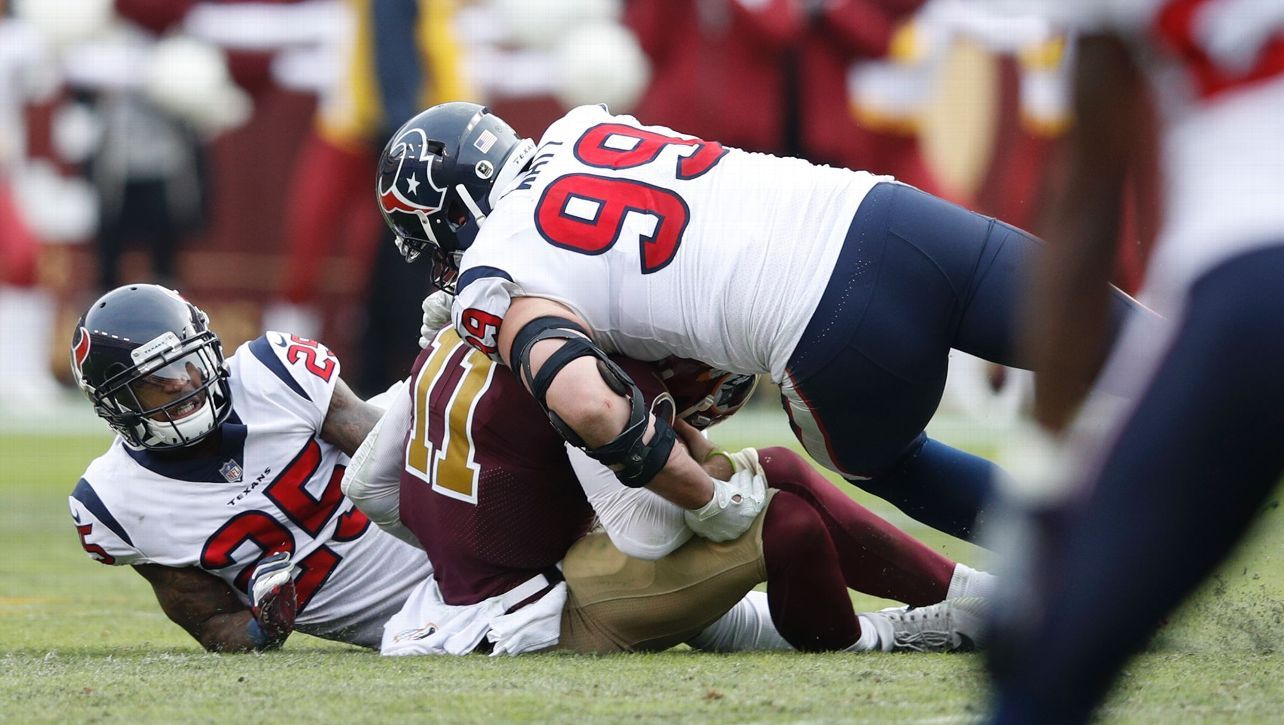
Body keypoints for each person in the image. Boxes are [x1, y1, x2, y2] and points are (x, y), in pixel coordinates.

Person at [374, 101, 1141, 542]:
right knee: (1143, 348)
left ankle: (1099, 557)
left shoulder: (494, 275)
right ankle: (1255, 391)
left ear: (444, 212)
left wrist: (705, 500)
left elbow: (590, 403)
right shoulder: (581, 125)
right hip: (887, 219)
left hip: (827, 332)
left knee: (895, 464)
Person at [984, 2, 1284, 725]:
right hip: (1248, 274)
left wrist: (1041, 472)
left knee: (1046, 677)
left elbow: (1087, 207)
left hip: (1254, 278)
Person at [342, 323, 996, 656]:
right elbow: (646, 534)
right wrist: (716, 493)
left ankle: (958, 603)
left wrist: (460, 543)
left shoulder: (454, 333)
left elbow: (366, 485)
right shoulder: (579, 357)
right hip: (530, 614)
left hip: (455, 606)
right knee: (783, 509)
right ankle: (905, 628)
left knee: (773, 497)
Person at [66, 283, 432, 651]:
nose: (181, 381)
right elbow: (215, 621)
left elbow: (401, 459)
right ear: (117, 407)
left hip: (444, 546)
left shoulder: (272, 374)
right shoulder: (116, 503)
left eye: (186, 361)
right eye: (152, 382)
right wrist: (265, 626)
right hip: (414, 620)